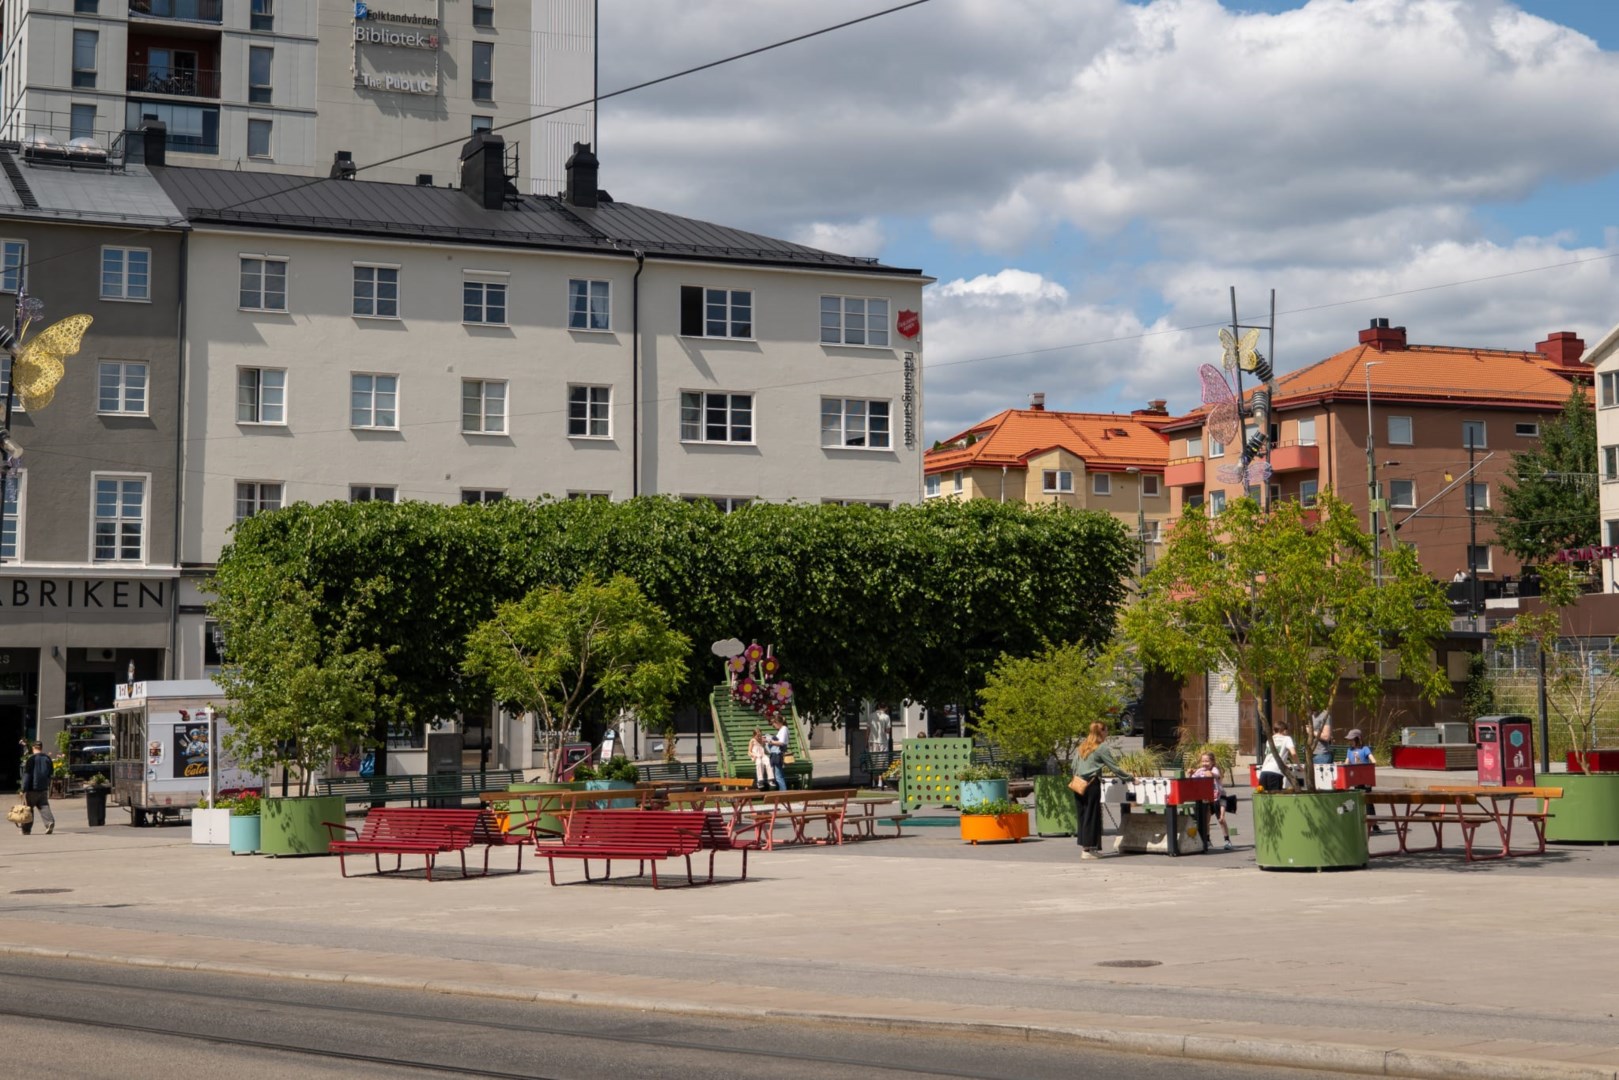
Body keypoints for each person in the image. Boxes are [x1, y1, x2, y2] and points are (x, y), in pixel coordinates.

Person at [1073, 721, 1130, 859]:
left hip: (1077, 783)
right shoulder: (1101, 747)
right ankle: (1088, 850)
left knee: (1082, 815)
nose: (1108, 733)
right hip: (1091, 784)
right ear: (1101, 732)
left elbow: (1074, 765)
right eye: (1106, 731)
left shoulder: (1083, 745)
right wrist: (1130, 778)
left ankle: (1085, 848)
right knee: (1091, 815)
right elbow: (1114, 767)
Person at [1190, 751, 1232, 850]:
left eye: (1207, 761)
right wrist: (1191, 773)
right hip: (1208, 799)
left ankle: (1227, 840)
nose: (1205, 763)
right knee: (1206, 820)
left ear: (1212, 762)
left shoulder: (1215, 769)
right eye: (1203, 761)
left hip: (1219, 798)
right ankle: (1207, 840)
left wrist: (1210, 773)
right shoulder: (1200, 770)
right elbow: (1193, 778)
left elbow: (1215, 775)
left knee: (1221, 819)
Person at [1344, 728, 1381, 834]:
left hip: (1365, 779)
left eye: (1352, 740)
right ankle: (1359, 823)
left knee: (1368, 802)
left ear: (1358, 739)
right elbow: (1346, 762)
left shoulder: (1365, 749)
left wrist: (1370, 764)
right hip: (1356, 779)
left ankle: (1374, 824)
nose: (1350, 742)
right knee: (1358, 801)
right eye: (1349, 740)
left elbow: (1373, 760)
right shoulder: (1349, 750)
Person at [19, 741, 54, 836]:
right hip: (43, 788)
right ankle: (49, 822)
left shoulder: (31, 759)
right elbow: (50, 773)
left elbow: (27, 775)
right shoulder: (47, 759)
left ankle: (26, 830)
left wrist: (23, 789)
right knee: (44, 805)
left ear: (33, 748)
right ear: (41, 747)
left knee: (28, 808)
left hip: (31, 788)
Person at [1257, 720, 1295, 792]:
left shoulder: (1269, 740)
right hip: (1276, 772)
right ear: (1284, 730)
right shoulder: (1287, 738)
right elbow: (1294, 753)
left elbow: (1270, 756)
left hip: (1264, 771)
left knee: (1264, 797)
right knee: (1276, 797)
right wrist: (1299, 765)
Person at [767, 715, 790, 791]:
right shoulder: (782, 729)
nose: (773, 725)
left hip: (778, 754)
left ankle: (783, 793)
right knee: (780, 775)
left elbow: (781, 742)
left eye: (774, 723)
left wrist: (770, 741)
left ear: (778, 722)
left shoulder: (784, 729)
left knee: (778, 776)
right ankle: (783, 792)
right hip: (777, 754)